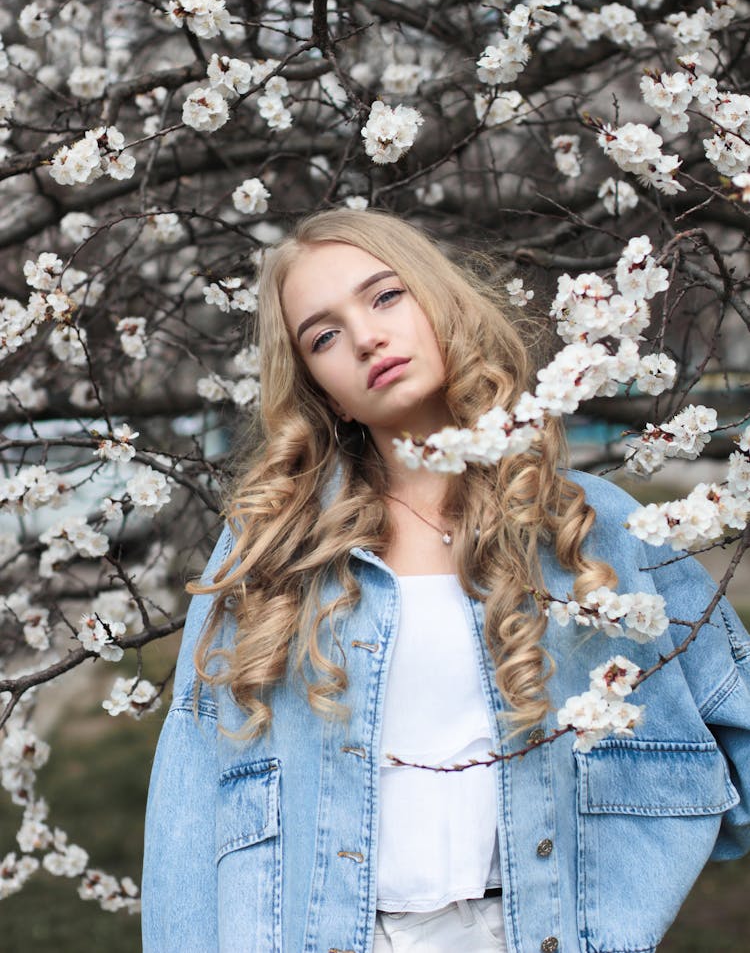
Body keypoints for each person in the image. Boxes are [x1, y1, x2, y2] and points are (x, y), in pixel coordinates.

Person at [142, 209, 750, 953]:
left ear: (439, 302)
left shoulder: (593, 528)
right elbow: (191, 794)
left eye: (385, 296)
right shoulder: (268, 551)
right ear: (326, 391)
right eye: (324, 336)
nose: (365, 336)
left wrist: (639, 856)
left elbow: (734, 715)